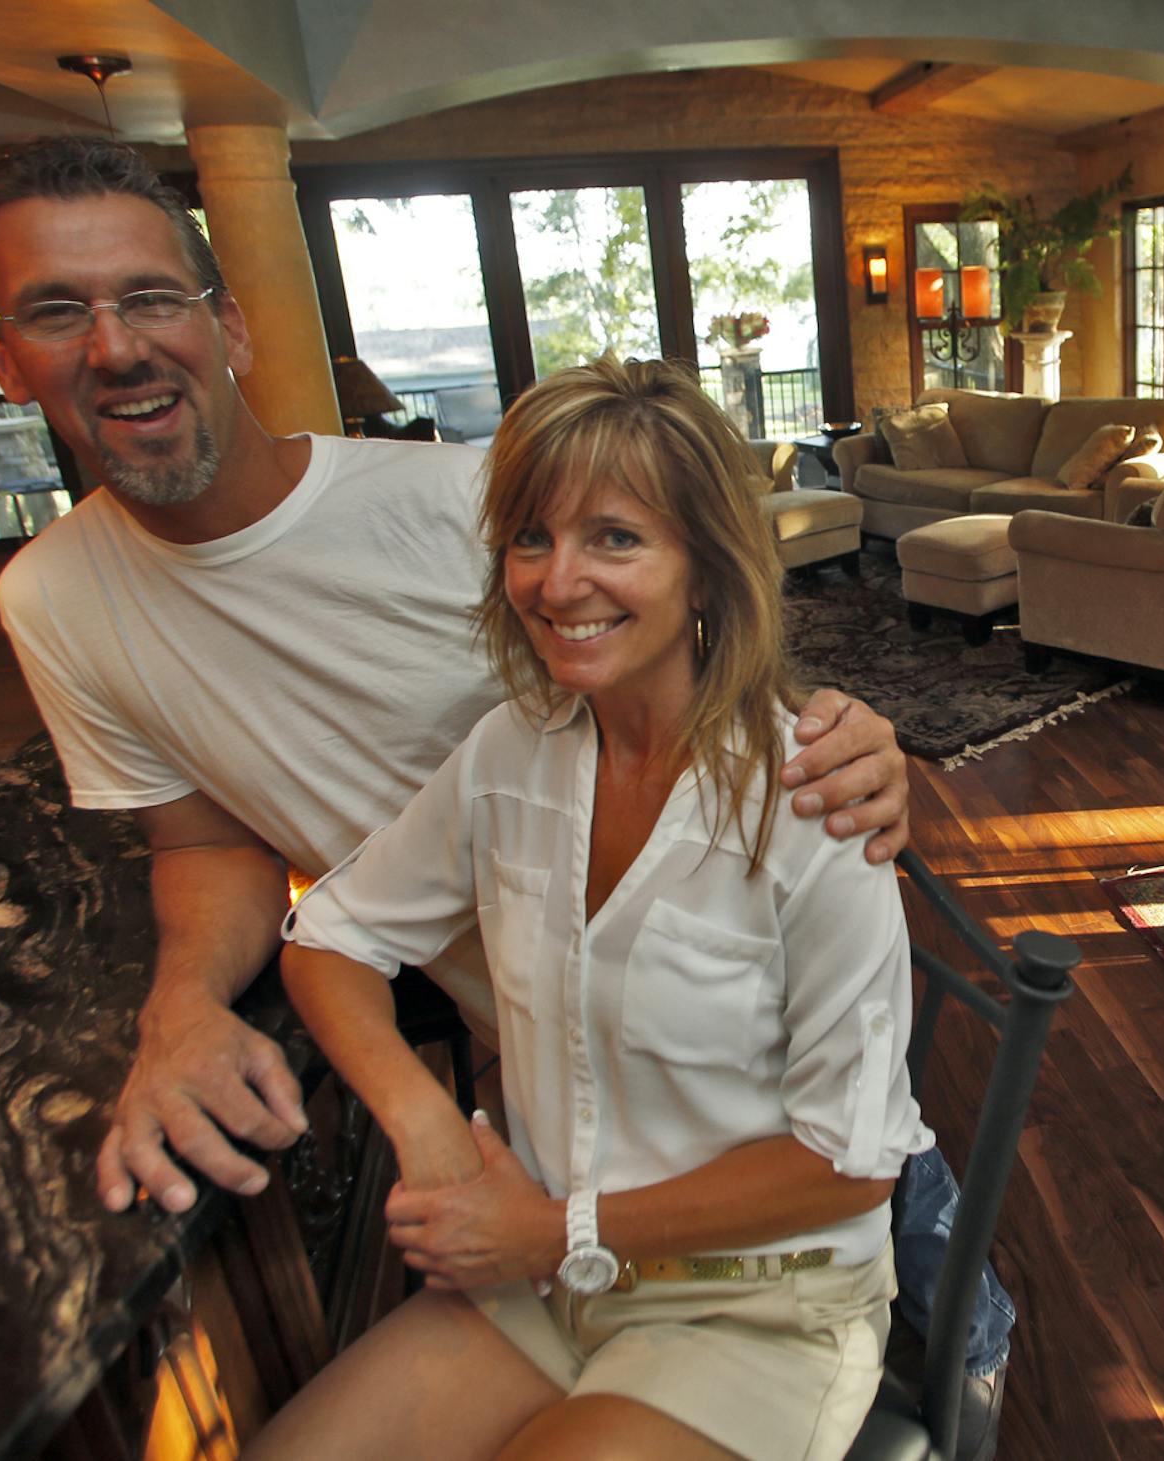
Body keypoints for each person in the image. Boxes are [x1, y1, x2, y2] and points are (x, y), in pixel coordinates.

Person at [0, 136, 910, 1221]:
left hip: (727, 1034)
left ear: (227, 326)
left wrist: (852, 749)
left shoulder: (469, 505)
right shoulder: (50, 599)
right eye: (54, 312)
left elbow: (692, 666)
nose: (114, 346)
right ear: (2, 359)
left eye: (150, 298)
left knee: (879, 1243)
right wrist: (181, 1008)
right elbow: (206, 837)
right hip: (540, 1059)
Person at [257, 356, 928, 1459]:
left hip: (756, 1303)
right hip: (548, 1277)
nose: (557, 581)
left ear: (708, 569)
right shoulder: (509, 757)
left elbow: (850, 1160)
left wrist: (555, 1224)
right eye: (532, 537)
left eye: (615, 538)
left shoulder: (815, 801)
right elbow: (330, 935)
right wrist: (425, 1127)